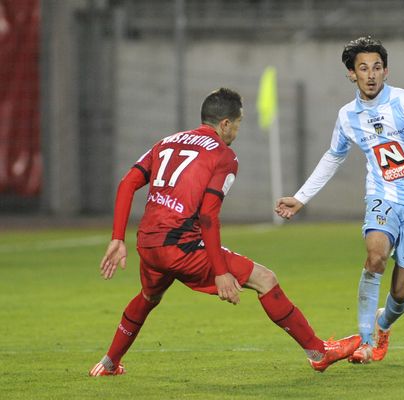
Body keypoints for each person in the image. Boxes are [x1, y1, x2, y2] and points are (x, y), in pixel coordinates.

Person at [89, 88, 360, 377]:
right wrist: (220, 271)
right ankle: (318, 352)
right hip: (182, 247)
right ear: (225, 124)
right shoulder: (223, 155)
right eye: (239, 123)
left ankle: (109, 363)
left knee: (148, 297)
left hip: (148, 244)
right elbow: (207, 215)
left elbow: (127, 183)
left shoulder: (166, 142)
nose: (238, 131)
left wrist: (118, 238)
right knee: (265, 279)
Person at [275, 37, 404, 364]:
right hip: (383, 197)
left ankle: (383, 324)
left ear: (386, 70)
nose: (371, 74)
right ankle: (363, 341)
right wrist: (301, 198)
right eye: (363, 68)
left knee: (401, 292)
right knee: (375, 256)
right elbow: (333, 157)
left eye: (377, 67)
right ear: (351, 74)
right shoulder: (348, 116)